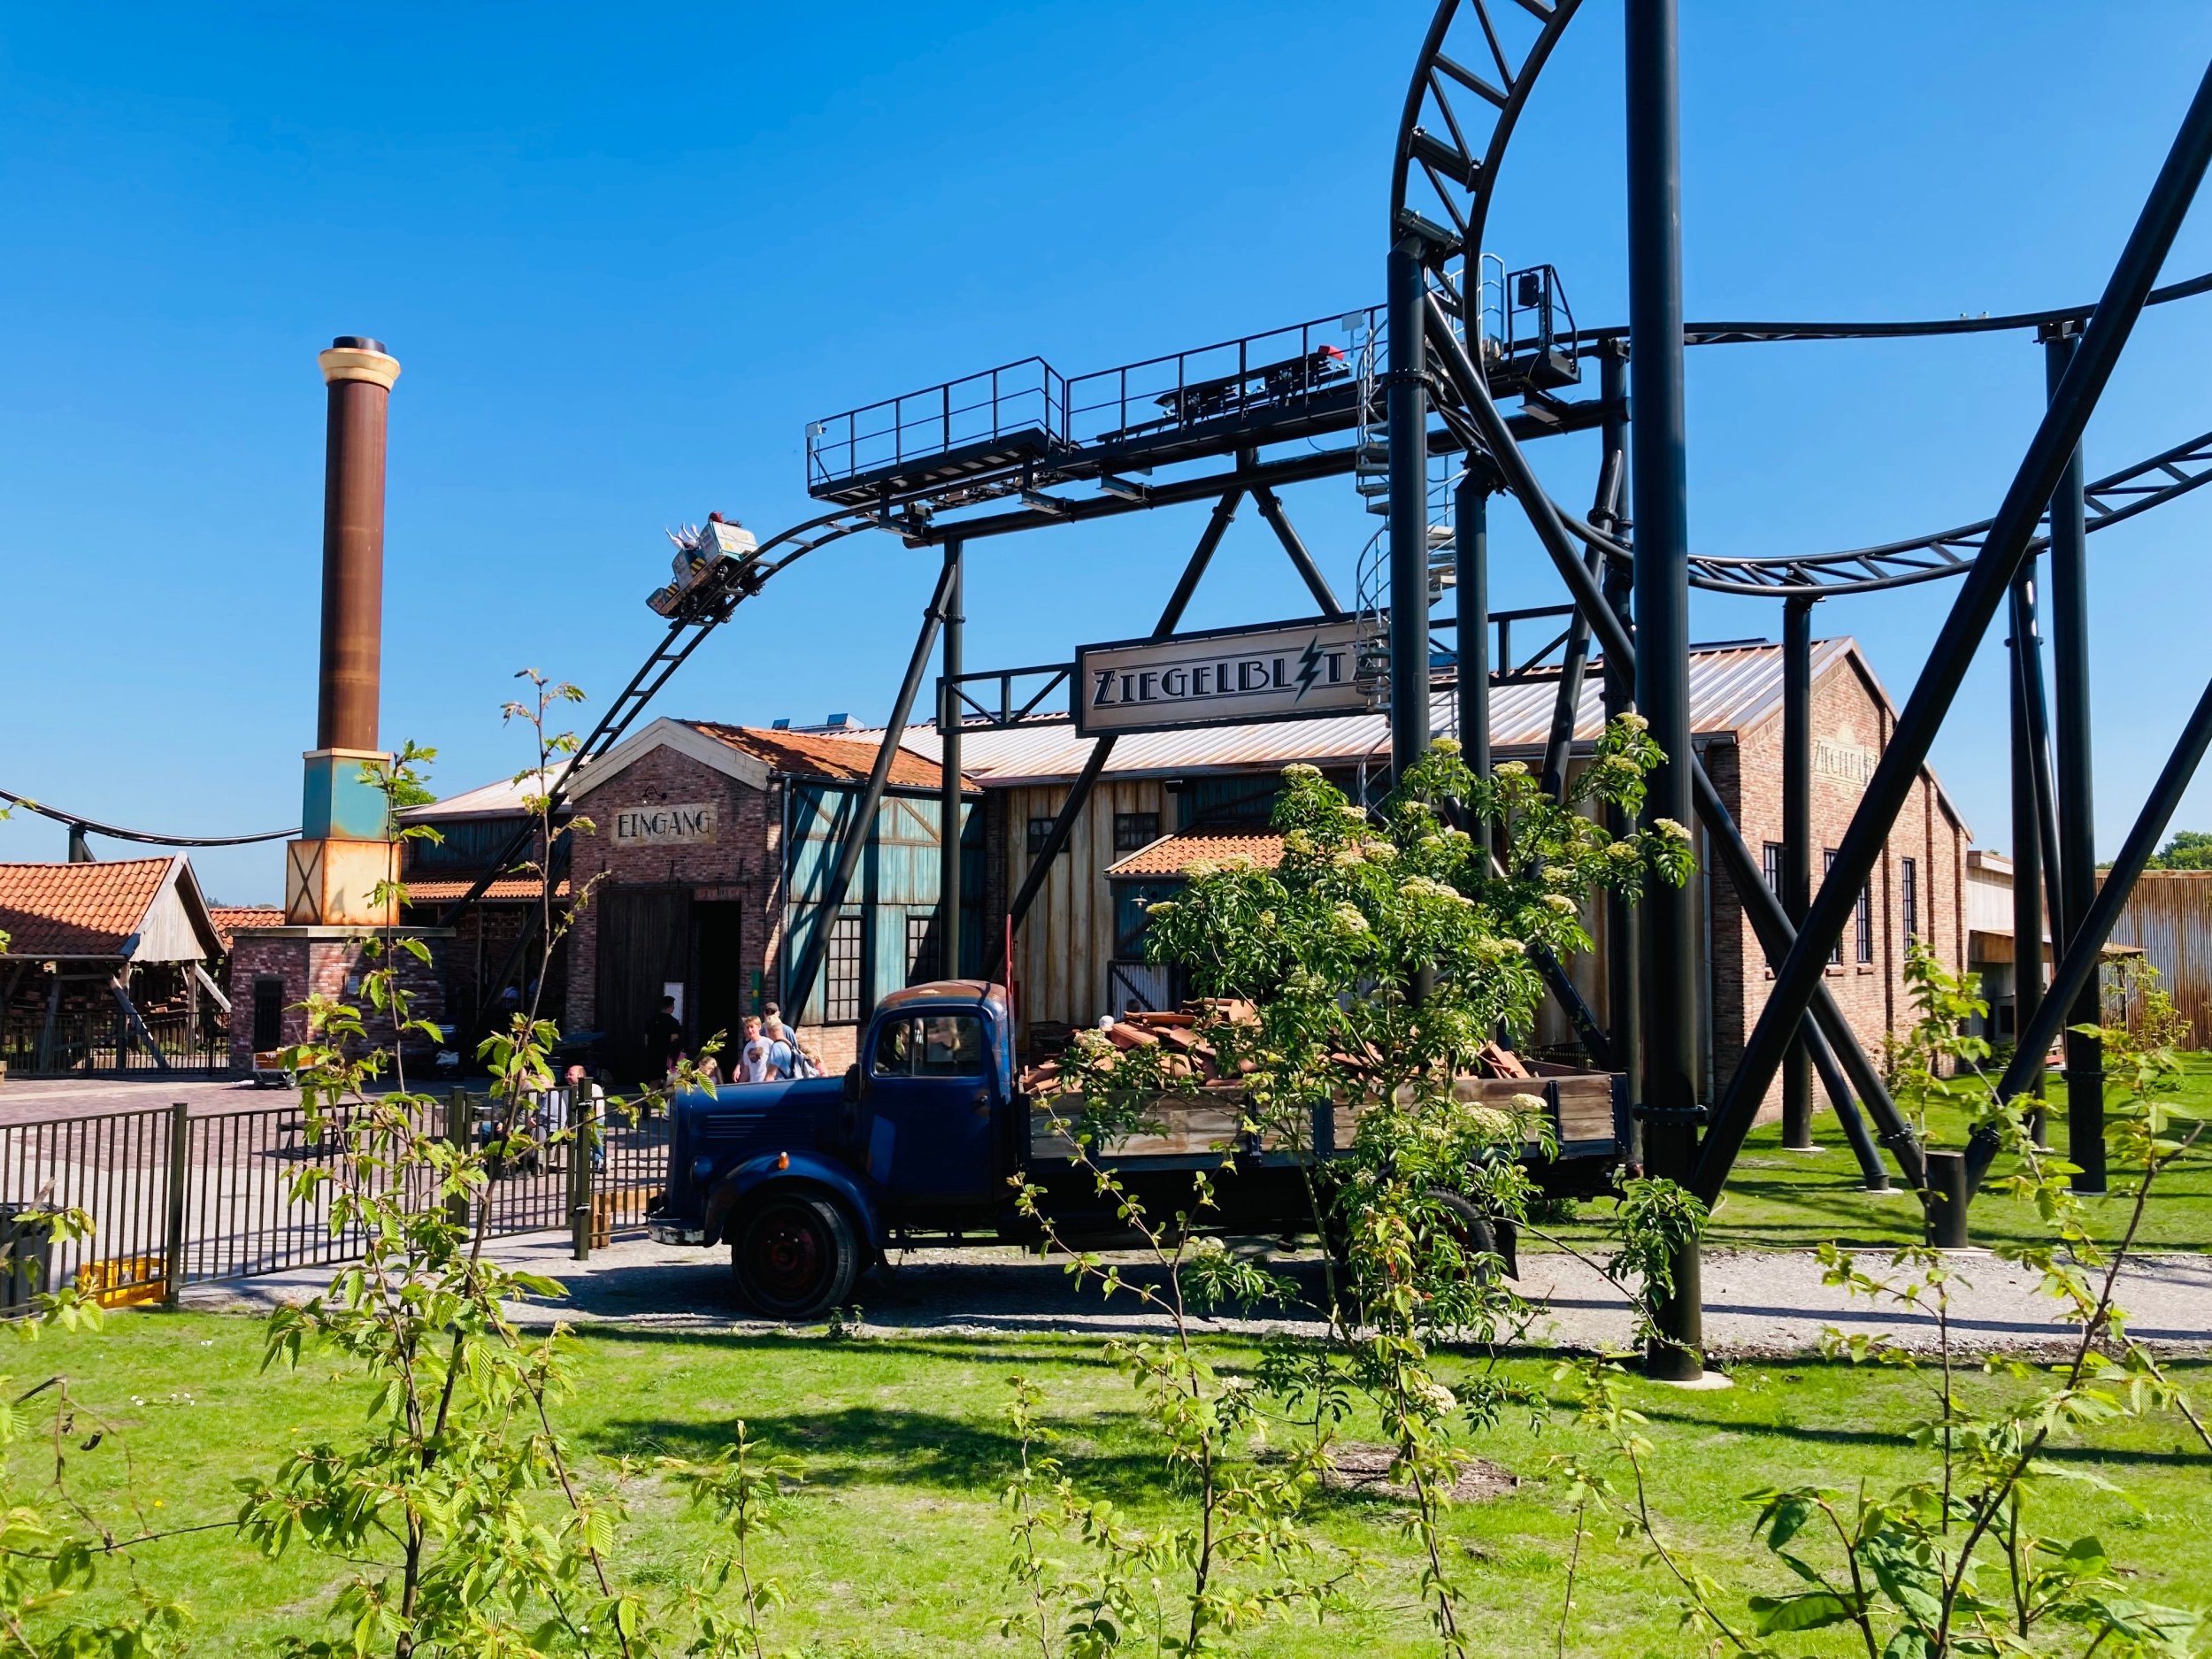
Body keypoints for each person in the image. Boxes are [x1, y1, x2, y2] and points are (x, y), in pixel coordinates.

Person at [646, 995, 684, 1081]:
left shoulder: (652, 1020)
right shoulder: (673, 1022)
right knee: (666, 1080)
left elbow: (646, 1038)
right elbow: (674, 1039)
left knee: (653, 1081)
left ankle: (651, 1091)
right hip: (666, 1055)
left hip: (652, 1053)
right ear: (671, 1007)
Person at [738, 1016, 772, 1084]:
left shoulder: (768, 1043)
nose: (750, 1030)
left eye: (752, 1027)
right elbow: (746, 1070)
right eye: (747, 1028)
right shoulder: (747, 1047)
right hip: (753, 1084)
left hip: (767, 1084)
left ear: (759, 1027)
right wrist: (739, 1085)